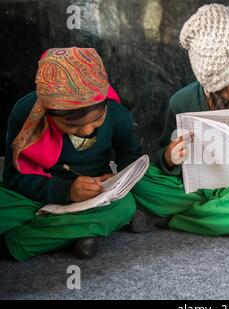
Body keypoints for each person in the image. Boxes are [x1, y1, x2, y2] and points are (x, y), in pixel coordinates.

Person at [132, 4, 229, 242]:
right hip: (192, 186)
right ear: (214, 82)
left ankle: (172, 219)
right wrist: (170, 157)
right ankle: (219, 212)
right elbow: (164, 154)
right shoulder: (182, 101)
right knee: (138, 181)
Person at [0, 47, 142, 261]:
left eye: (97, 120)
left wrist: (118, 179)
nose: (87, 130)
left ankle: (18, 241)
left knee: (126, 206)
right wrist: (66, 191)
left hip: (94, 198)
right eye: (73, 126)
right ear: (48, 113)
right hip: (38, 195)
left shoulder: (117, 114)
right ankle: (79, 233)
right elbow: (13, 177)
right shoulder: (26, 114)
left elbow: (130, 156)